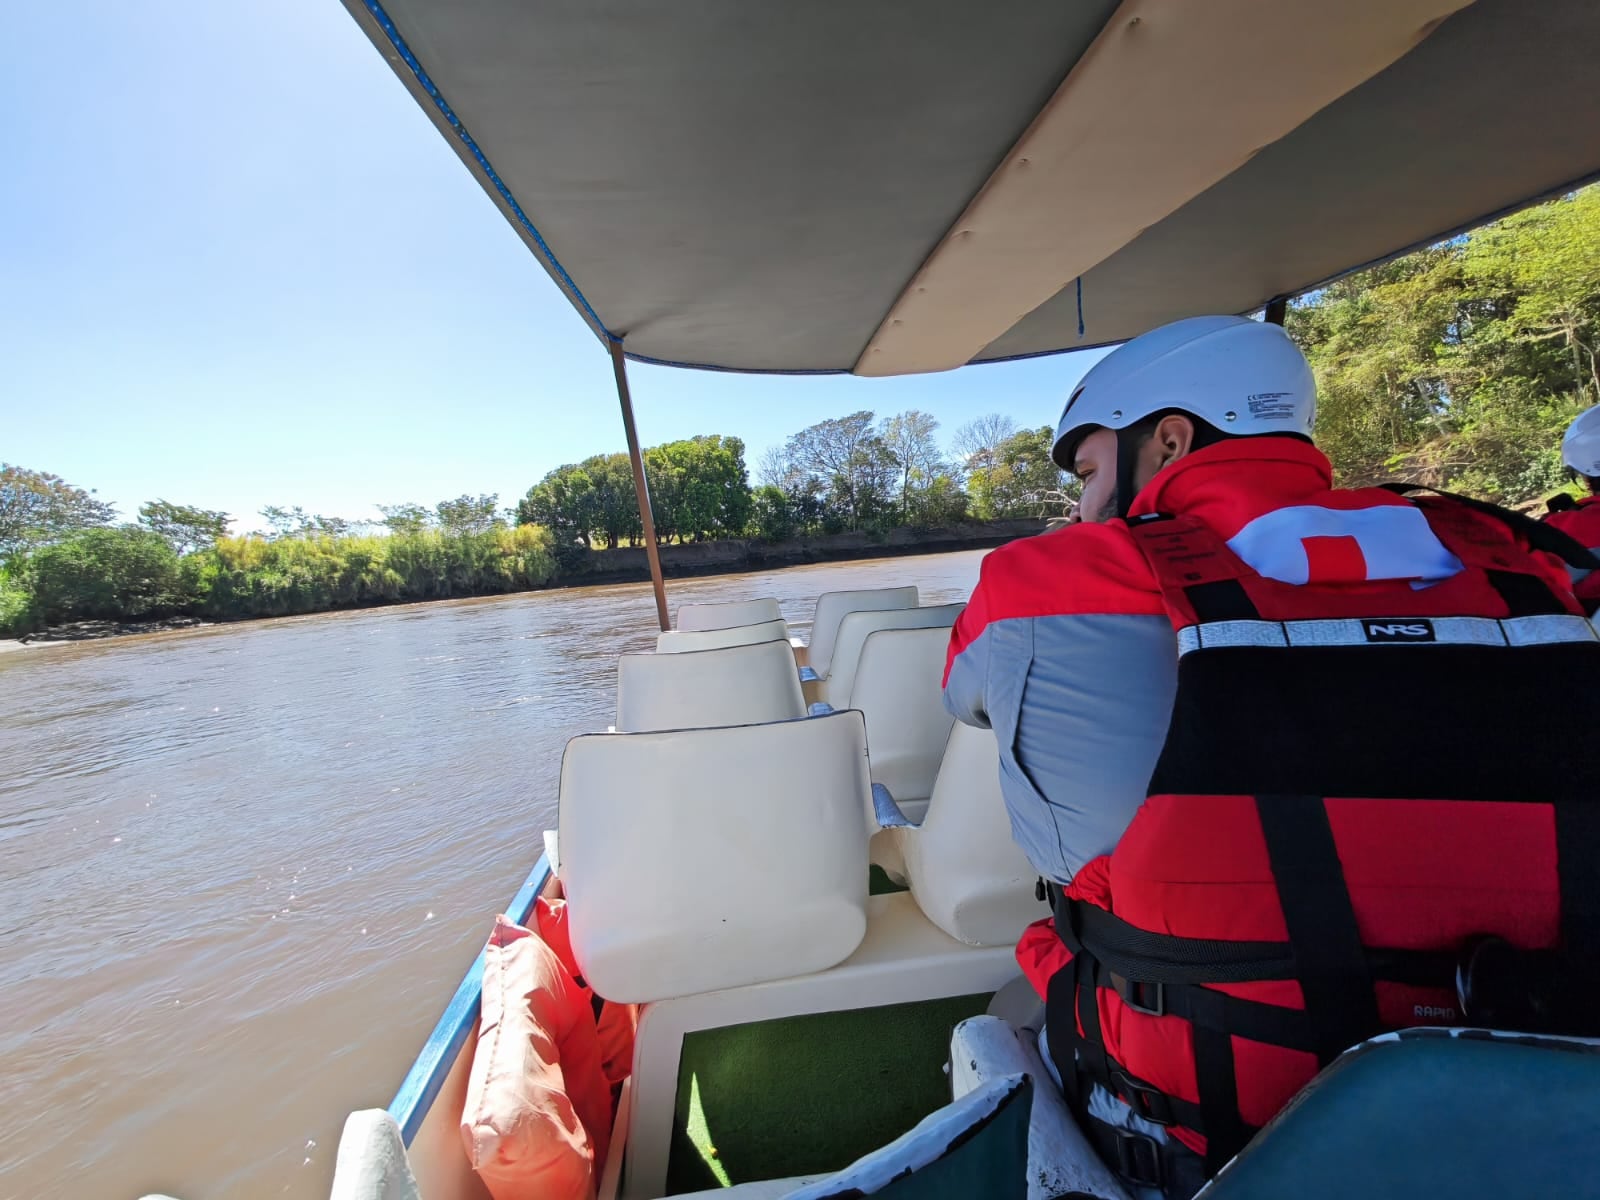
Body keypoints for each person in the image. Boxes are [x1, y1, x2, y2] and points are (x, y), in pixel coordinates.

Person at [943, 315, 1600, 1198]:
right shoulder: (1522, 562)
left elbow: (966, 698)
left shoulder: (1041, 578)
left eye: (1091, 472)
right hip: (1549, 1081)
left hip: (1220, 1122)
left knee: (1019, 992)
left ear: (1168, 440)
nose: (1087, 505)